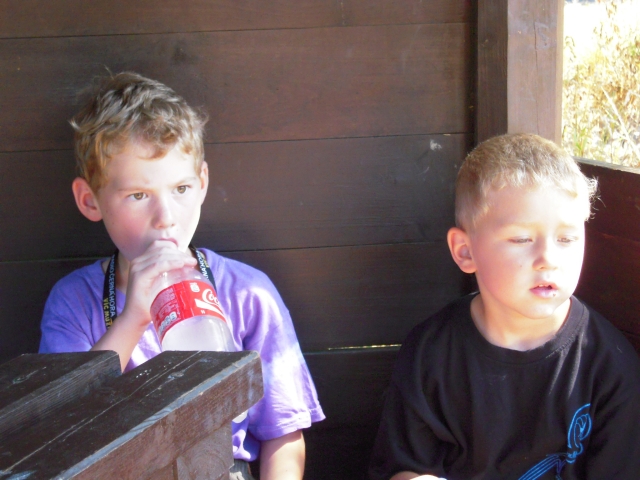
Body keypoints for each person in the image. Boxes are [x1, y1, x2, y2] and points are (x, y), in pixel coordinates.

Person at [39, 72, 324, 480]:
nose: (166, 217)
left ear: (202, 183)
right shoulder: (74, 301)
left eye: (181, 189)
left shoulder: (247, 293)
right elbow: (63, 431)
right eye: (138, 195)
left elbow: (283, 434)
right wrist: (133, 318)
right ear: (90, 201)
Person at [368, 133, 640, 479]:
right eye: (522, 239)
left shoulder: (610, 365)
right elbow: (405, 470)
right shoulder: (431, 353)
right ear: (465, 251)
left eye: (567, 238)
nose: (548, 259)